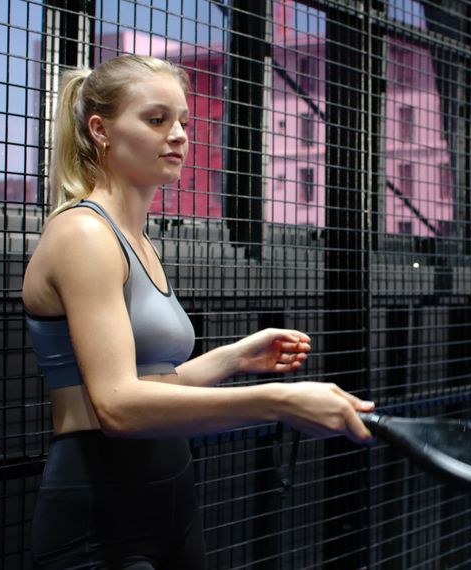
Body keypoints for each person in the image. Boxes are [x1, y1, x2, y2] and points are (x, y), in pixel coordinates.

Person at [22, 54, 375, 569]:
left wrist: (234, 357)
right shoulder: (83, 234)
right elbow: (117, 407)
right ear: (100, 130)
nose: (180, 135)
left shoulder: (135, 239)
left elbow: (152, 384)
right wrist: (278, 401)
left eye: (183, 121)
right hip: (101, 512)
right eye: (156, 119)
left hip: (172, 498)